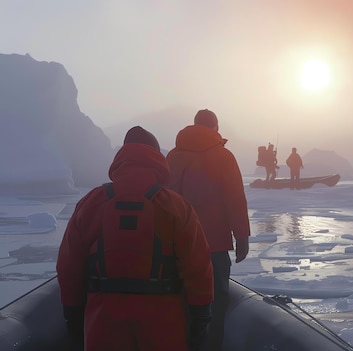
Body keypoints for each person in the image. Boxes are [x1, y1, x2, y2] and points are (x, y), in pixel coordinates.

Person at [56, 126, 214, 351]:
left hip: (102, 327)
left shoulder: (91, 203)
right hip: (164, 329)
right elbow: (199, 268)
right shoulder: (176, 206)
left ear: (121, 158)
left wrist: (73, 318)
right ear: (157, 159)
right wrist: (201, 319)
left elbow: (69, 267)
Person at [166, 109, 251, 351]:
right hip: (212, 244)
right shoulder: (223, 156)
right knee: (214, 301)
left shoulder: (172, 156)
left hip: (176, 244)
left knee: (177, 300)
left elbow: (161, 199)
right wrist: (242, 237)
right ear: (215, 128)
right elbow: (235, 198)